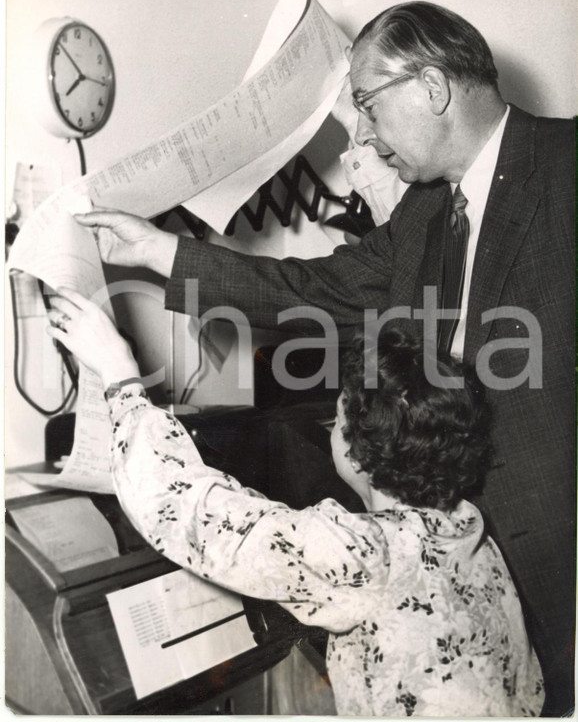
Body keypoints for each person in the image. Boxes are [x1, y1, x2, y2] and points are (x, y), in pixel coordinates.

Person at [75, 1, 574, 713]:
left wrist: (122, 380)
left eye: (366, 106)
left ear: (431, 88)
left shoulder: (566, 168)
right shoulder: (426, 213)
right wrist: (155, 251)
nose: (363, 136)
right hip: (455, 568)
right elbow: (308, 289)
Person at [46, 291, 545, 717]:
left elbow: (185, 508)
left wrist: (121, 377)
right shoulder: (463, 526)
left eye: (337, 415)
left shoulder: (364, 554)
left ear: (357, 451)